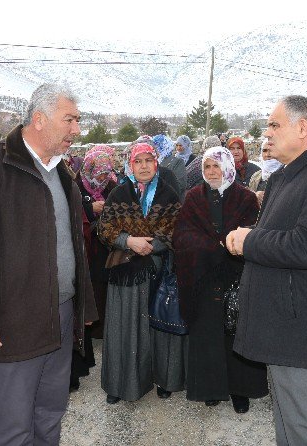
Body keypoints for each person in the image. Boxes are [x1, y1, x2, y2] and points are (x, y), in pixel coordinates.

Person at [0, 83, 97, 445]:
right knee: (14, 424)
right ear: (39, 119)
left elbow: (74, 245)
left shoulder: (64, 173)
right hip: (11, 319)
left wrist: (84, 305)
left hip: (61, 315)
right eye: (70, 119)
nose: (77, 130)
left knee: (50, 412)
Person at [226, 95, 307, 446]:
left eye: (274, 125)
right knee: (288, 426)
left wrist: (249, 241)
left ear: (302, 128)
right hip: (282, 325)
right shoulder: (287, 176)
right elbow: (280, 237)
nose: (265, 133)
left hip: (302, 330)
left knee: (304, 430)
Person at [174, 146, 267, 413]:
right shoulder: (193, 198)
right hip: (202, 277)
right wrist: (213, 246)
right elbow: (181, 235)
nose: (212, 172)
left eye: (216, 166)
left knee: (236, 333)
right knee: (207, 335)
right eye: (207, 167)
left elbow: (251, 233)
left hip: (235, 276)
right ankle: (210, 388)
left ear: (227, 166)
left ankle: (241, 390)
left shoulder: (245, 198)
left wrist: (228, 245)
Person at [98, 142, 186, 404]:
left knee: (158, 329)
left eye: (149, 160)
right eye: (139, 161)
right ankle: (119, 384)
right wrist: (128, 241)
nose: (144, 166)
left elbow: (175, 229)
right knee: (123, 330)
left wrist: (151, 245)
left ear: (156, 163)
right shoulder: (119, 193)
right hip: (124, 273)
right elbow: (105, 229)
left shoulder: (168, 194)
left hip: (157, 271)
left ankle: (163, 380)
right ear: (131, 165)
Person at [69, 145, 117, 392]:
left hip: (106, 247)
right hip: (85, 248)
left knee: (103, 285)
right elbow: (71, 214)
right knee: (89, 287)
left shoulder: (110, 187)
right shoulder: (75, 186)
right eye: (97, 173)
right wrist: (90, 208)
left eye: (104, 174)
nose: (101, 178)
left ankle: (102, 328)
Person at [248, 138, 282, 206]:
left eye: (271, 150)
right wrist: (255, 196)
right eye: (264, 151)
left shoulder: (286, 175)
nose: (267, 154)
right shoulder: (256, 176)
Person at [153, 134, 186, 198]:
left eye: (158, 146)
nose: (154, 149)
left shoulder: (177, 162)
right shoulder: (152, 162)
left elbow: (180, 185)